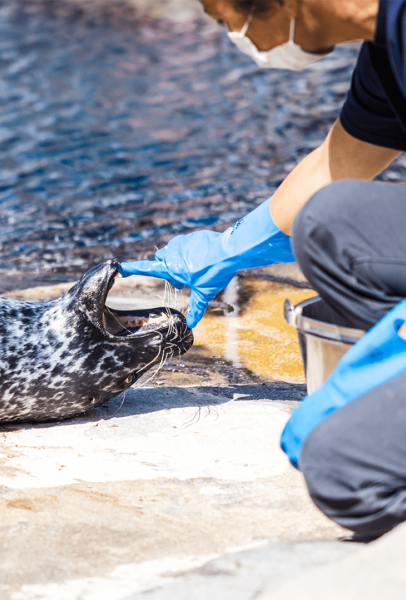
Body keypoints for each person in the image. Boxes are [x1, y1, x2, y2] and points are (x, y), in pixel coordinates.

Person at [119, 0, 406, 540]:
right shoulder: (389, 48)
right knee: (328, 224)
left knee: (345, 469)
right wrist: (228, 249)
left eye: (218, 13)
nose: (231, 32)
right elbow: (334, 164)